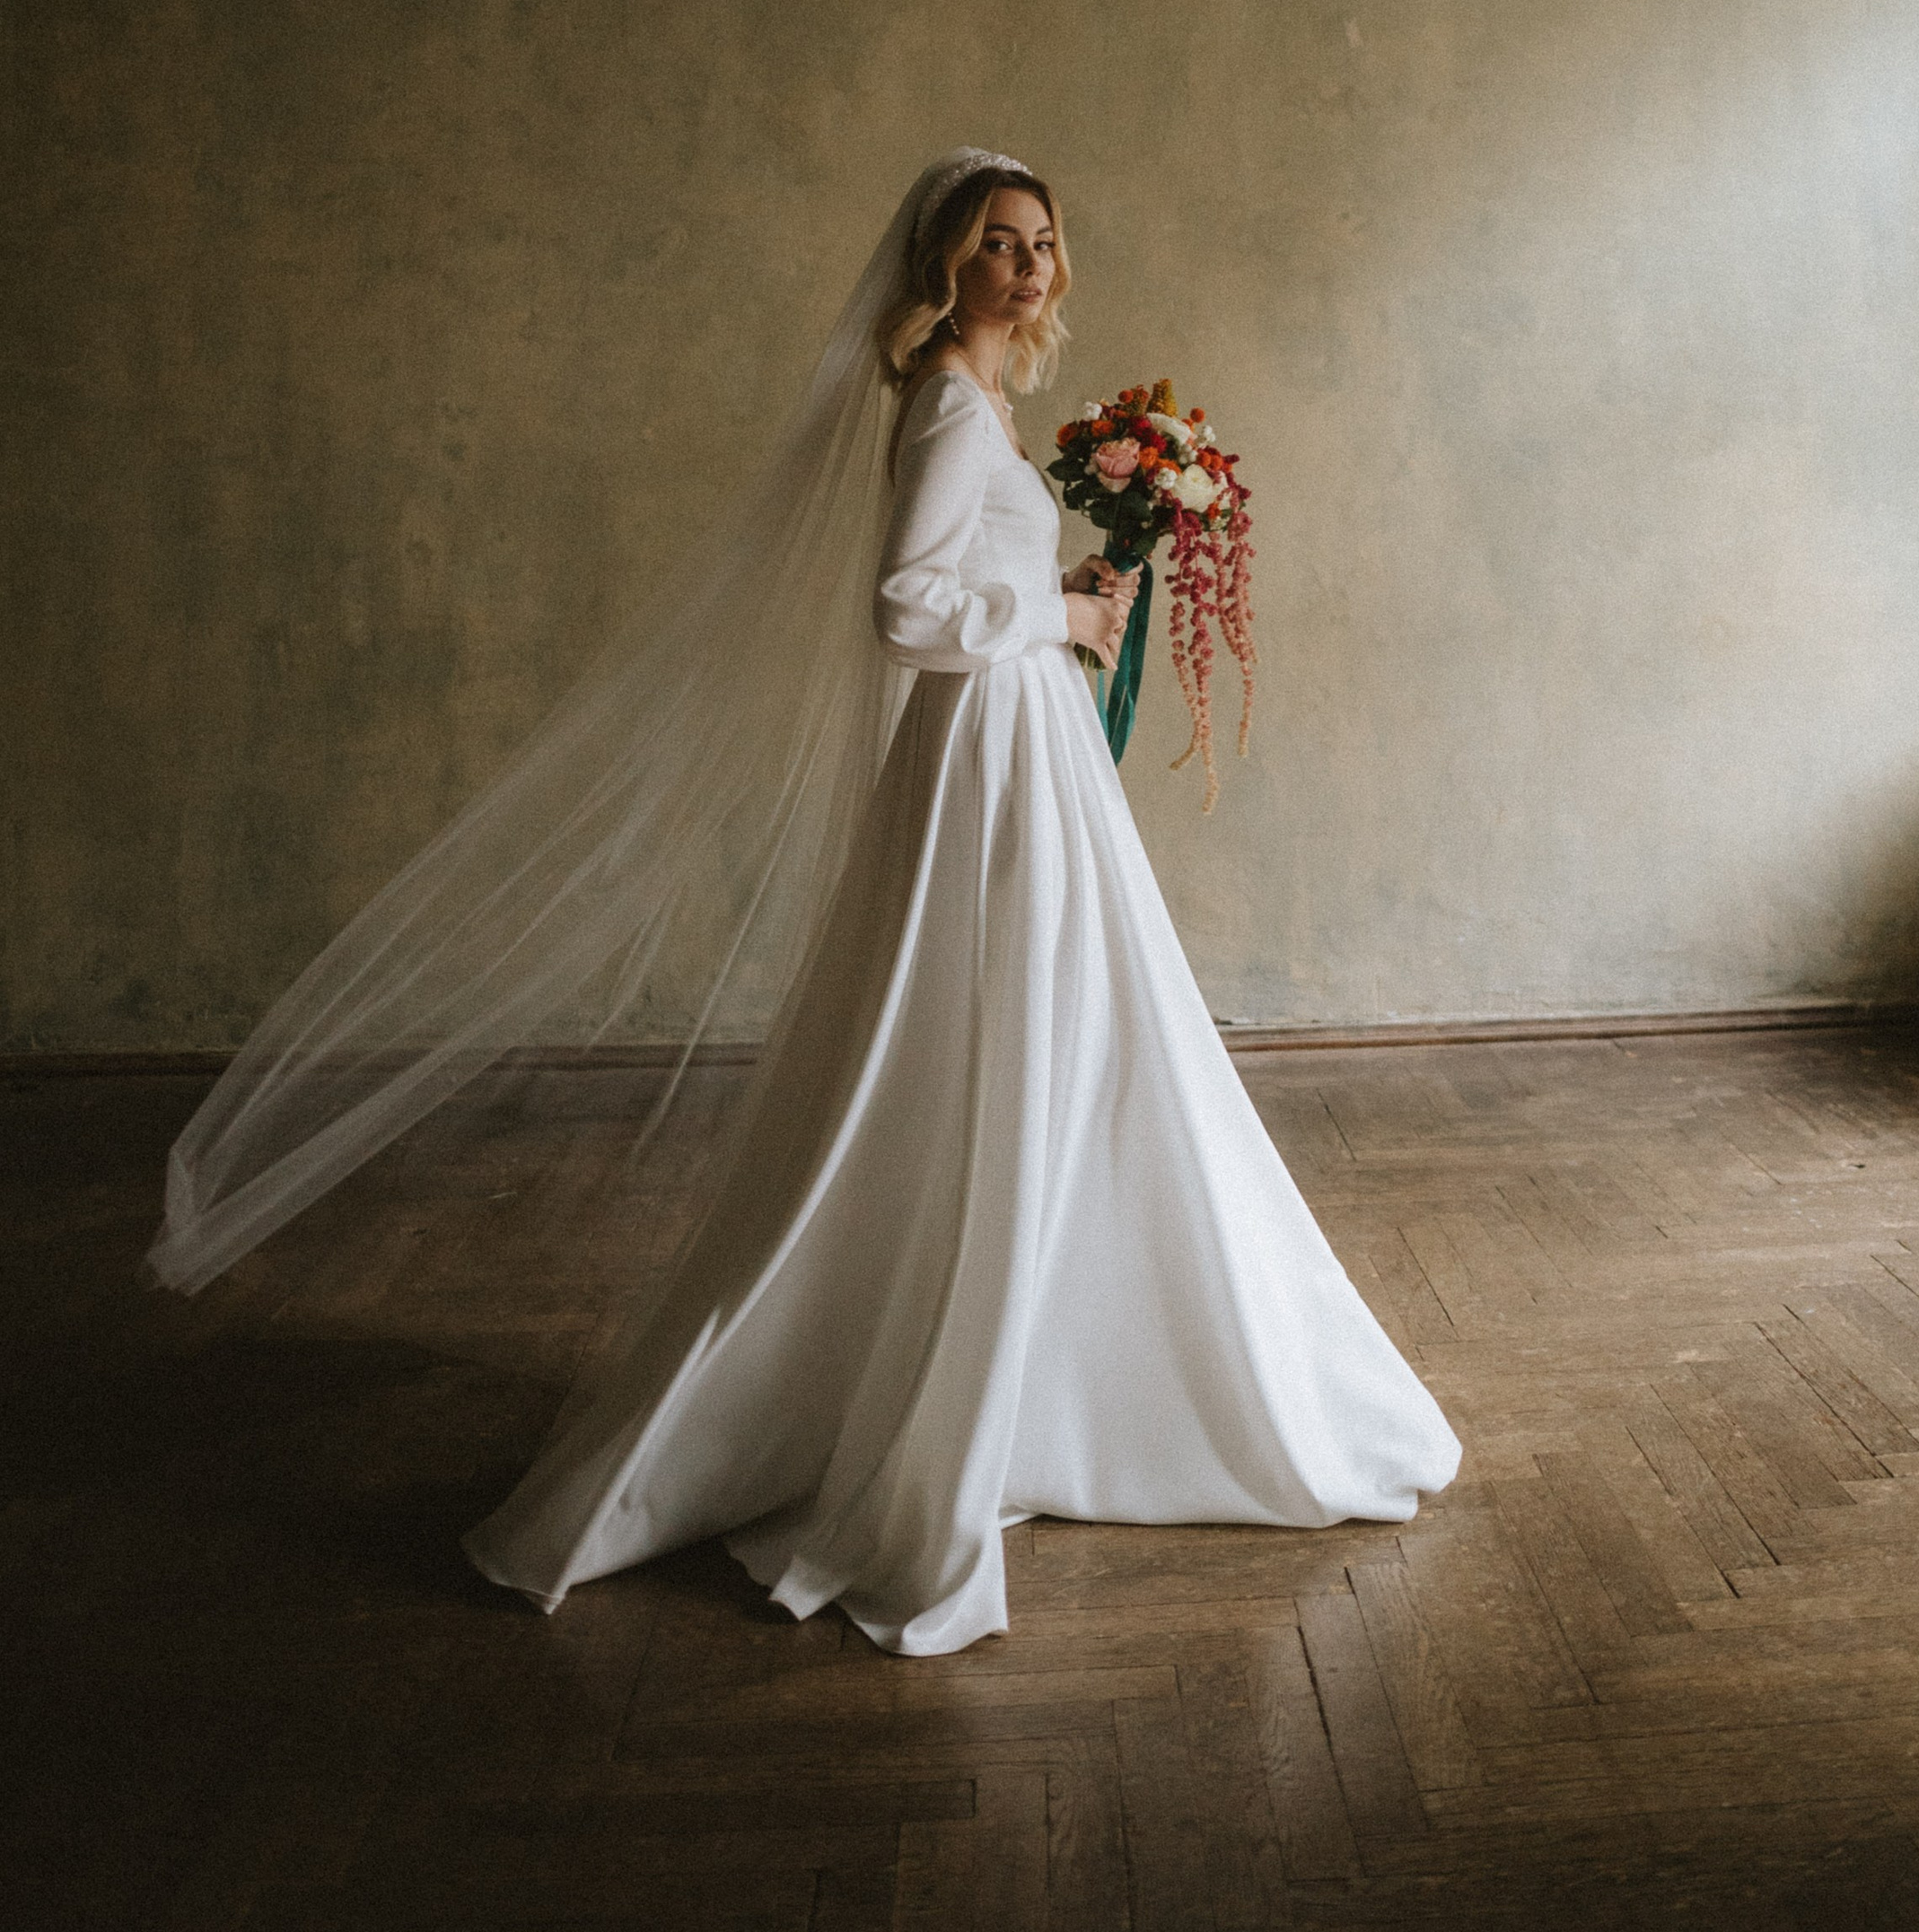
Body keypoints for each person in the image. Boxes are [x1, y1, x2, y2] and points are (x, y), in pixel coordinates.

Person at [153, 150, 1458, 1656]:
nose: (1030, 265)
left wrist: (1078, 613)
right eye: (1000, 242)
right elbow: (906, 607)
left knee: (1070, 1024)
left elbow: (971, 592)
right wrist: (1061, 608)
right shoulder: (947, 408)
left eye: (1043, 241)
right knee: (1011, 1026)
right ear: (947, 264)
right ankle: (962, 1372)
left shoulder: (987, 406)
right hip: (985, 757)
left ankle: (1052, 1356)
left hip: (1021, 743)